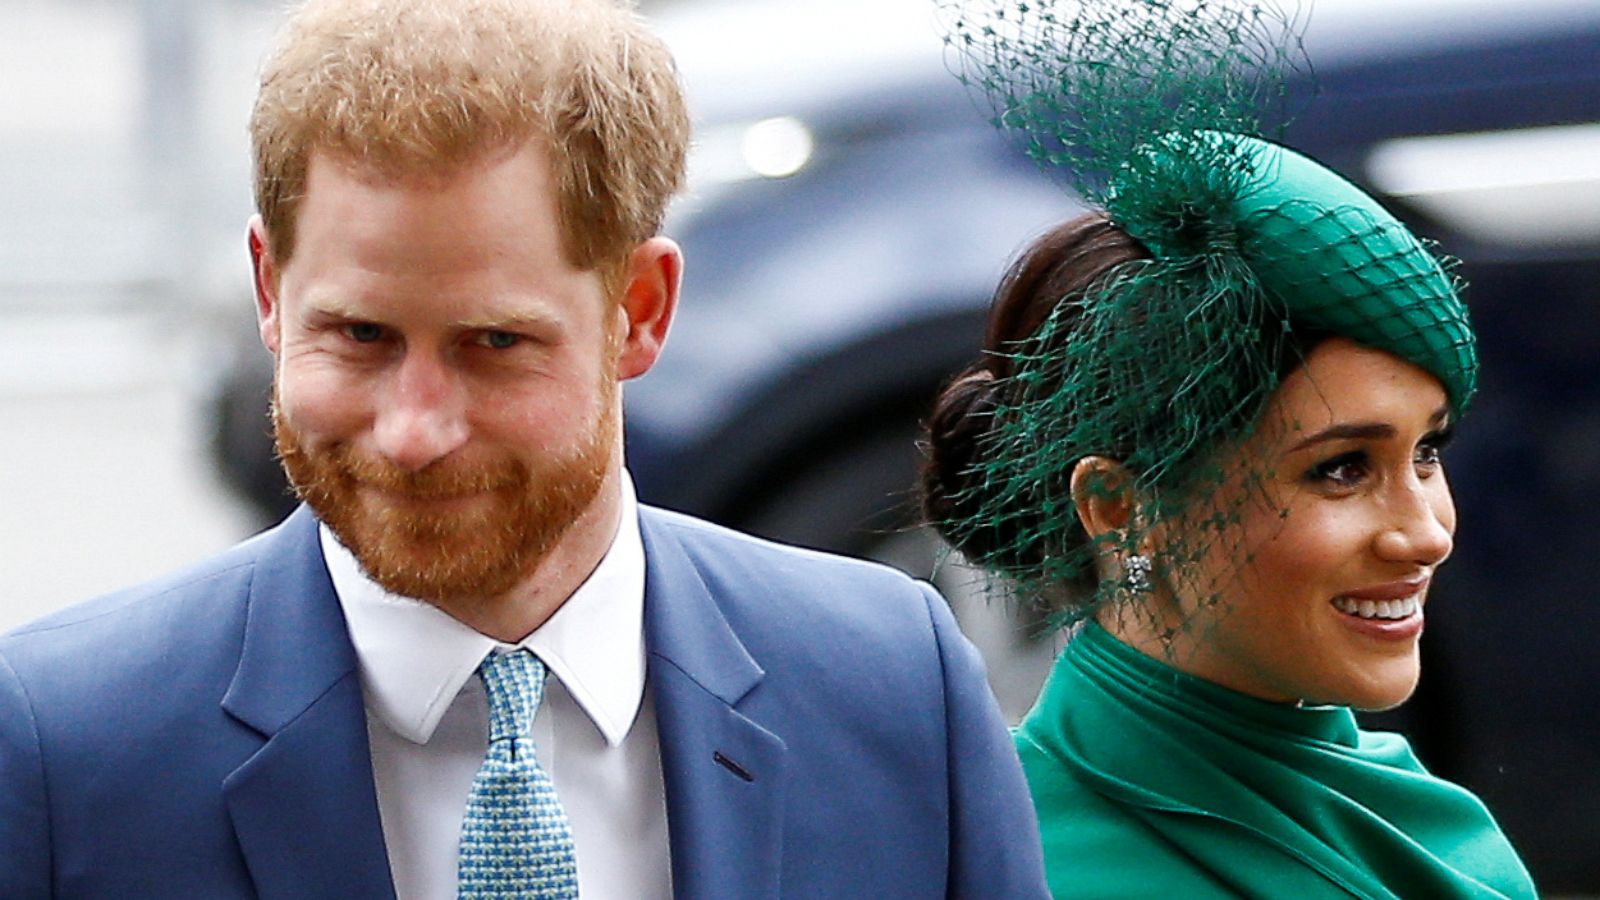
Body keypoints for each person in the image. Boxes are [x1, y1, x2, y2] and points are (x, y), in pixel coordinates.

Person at [0, 1, 1047, 897]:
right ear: (270, 292)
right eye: (359, 336)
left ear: (639, 310)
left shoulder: (895, 693)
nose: (413, 431)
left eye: (494, 344)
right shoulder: (67, 745)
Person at [922, 0, 1537, 896]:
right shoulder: (1034, 869)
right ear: (1119, 507)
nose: (1427, 533)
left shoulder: (1404, 803)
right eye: (1342, 469)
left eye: (1427, 454)